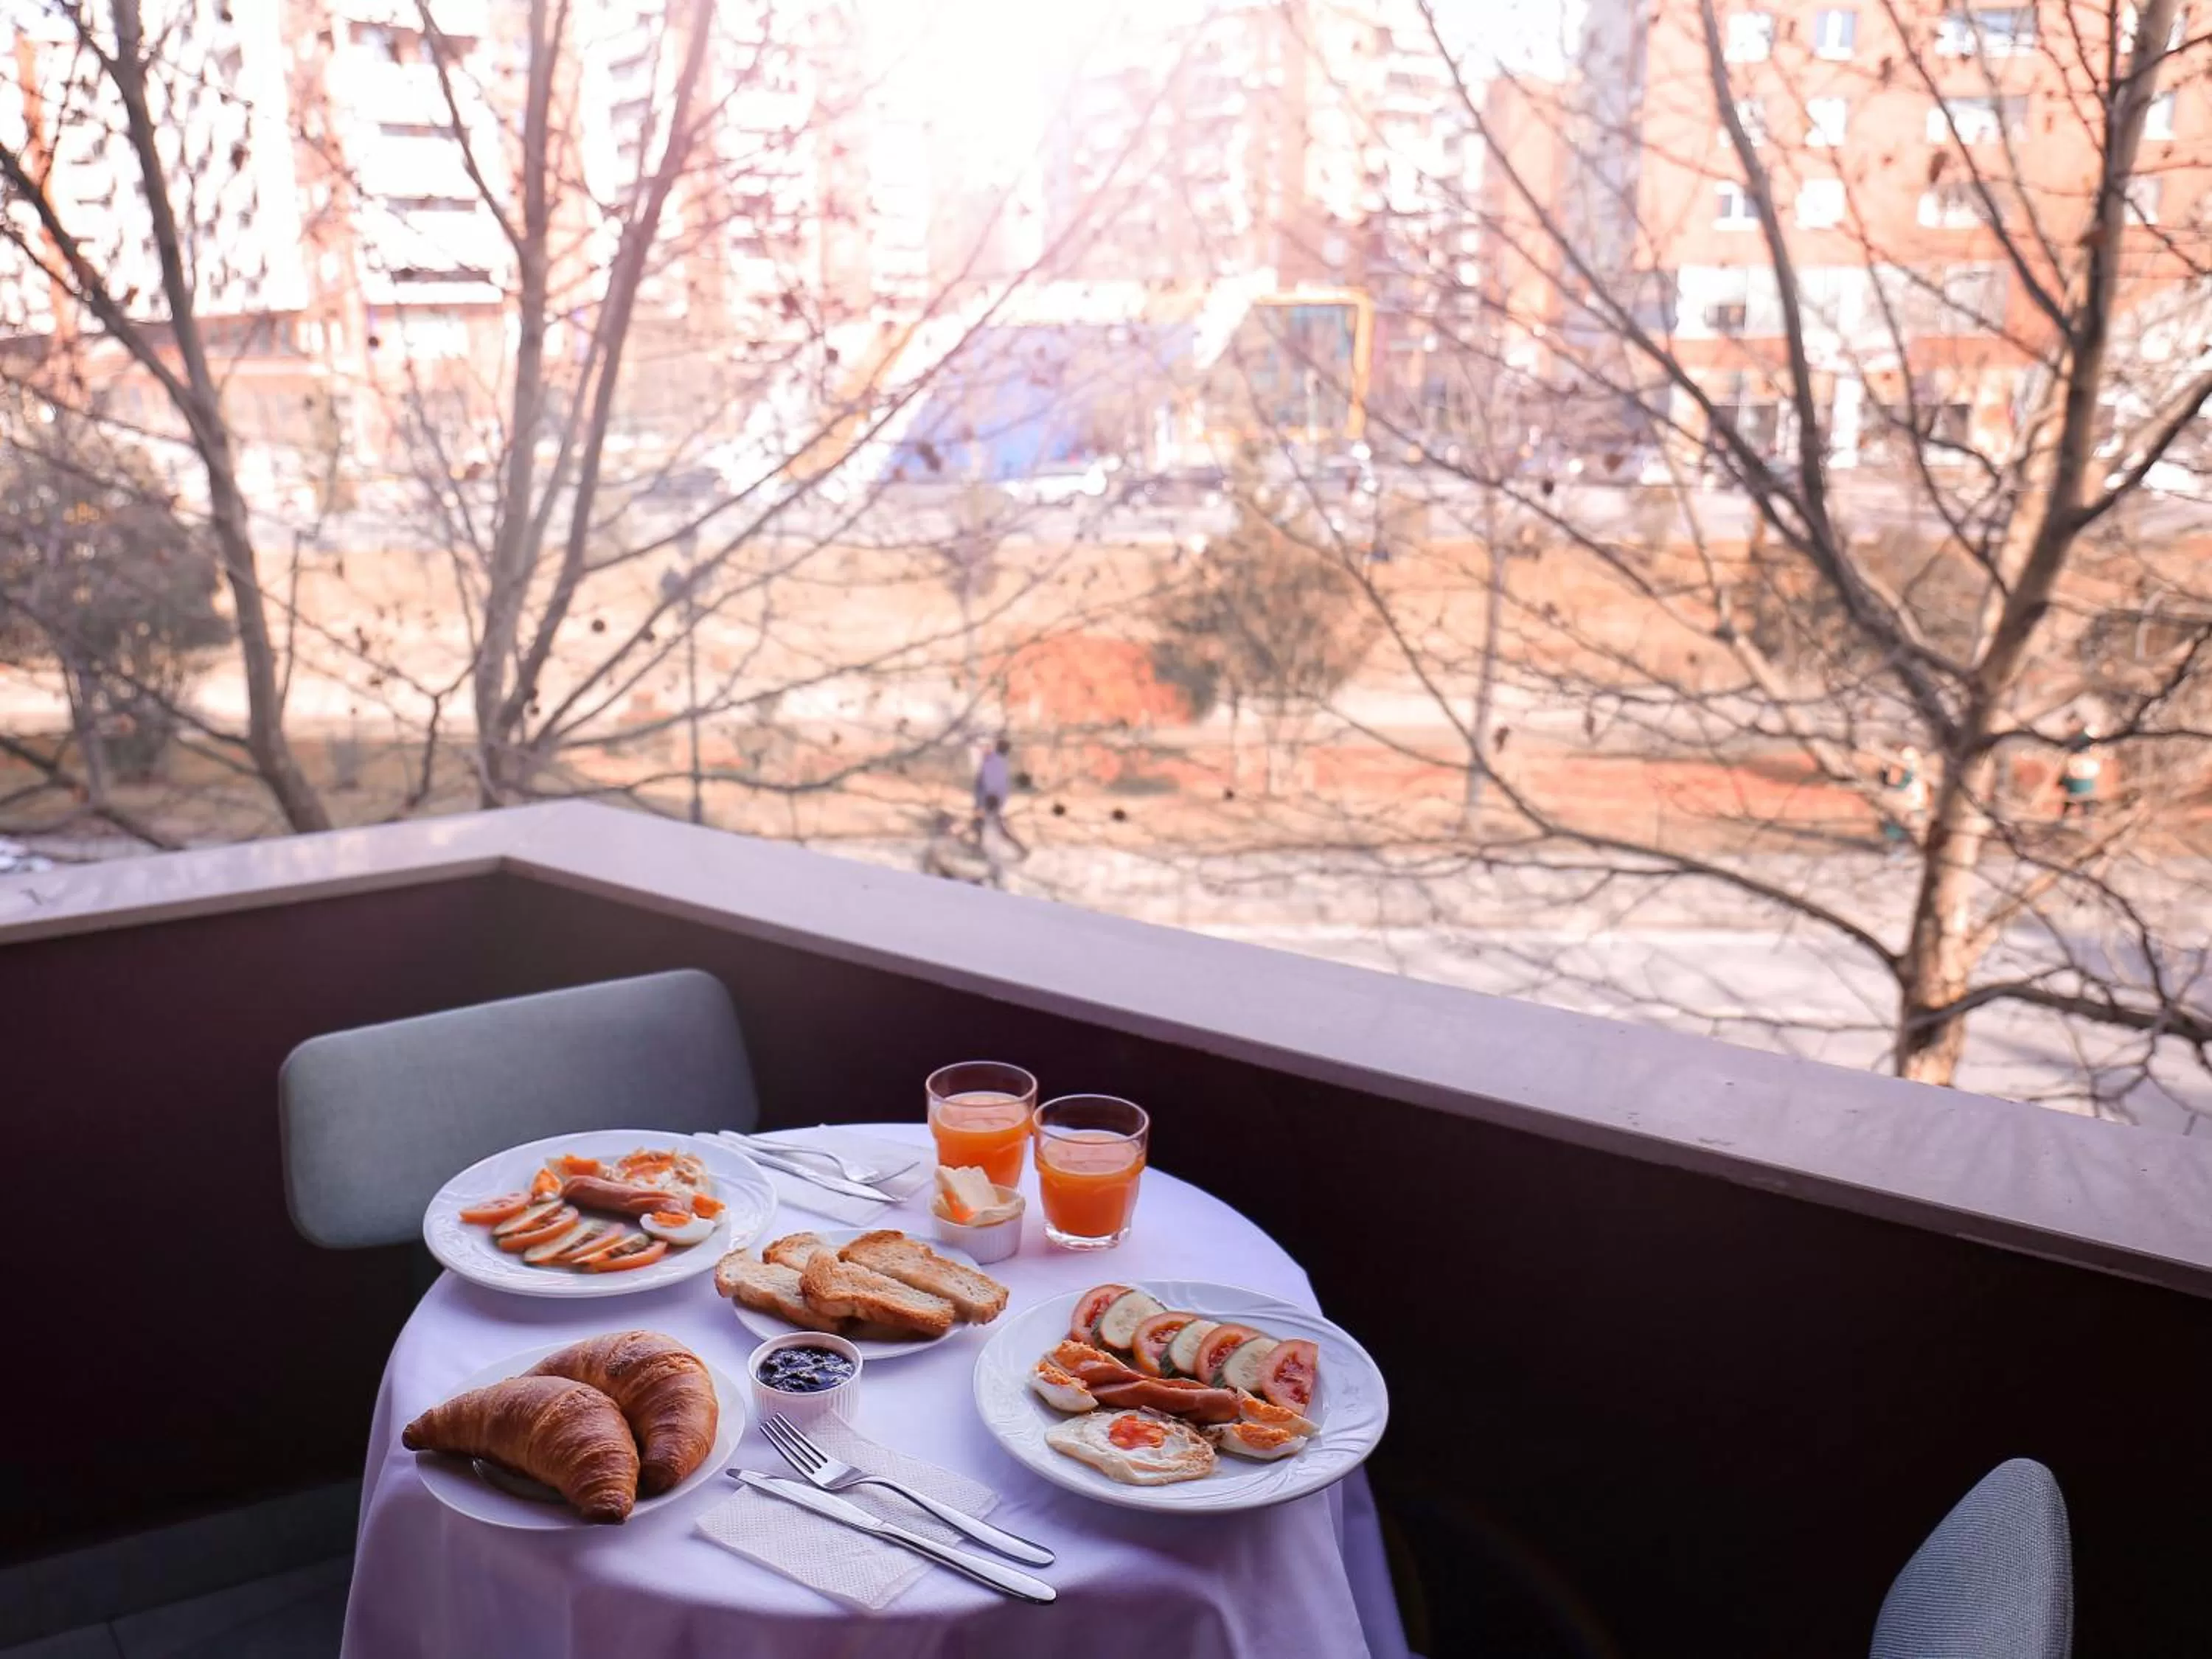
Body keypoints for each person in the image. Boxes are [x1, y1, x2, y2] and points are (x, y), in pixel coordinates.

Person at [973, 735, 1027, 857]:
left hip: (989, 801)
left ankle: (1021, 850)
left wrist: (983, 804)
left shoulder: (993, 762)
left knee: (984, 825)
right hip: (991, 800)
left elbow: (990, 783)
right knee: (984, 825)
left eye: (986, 746)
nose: (982, 749)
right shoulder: (997, 761)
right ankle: (1021, 849)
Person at [1879, 745, 1926, 852]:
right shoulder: (1909, 774)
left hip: (1912, 803)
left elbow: (1903, 785)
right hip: (1908, 802)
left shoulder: (1913, 775)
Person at [2059, 718, 2102, 821]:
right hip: (2076, 776)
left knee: (2086, 804)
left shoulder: (2085, 739)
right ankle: (2063, 823)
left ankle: (2086, 824)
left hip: (2084, 774)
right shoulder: (2073, 739)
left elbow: (2095, 754)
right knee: (2070, 803)